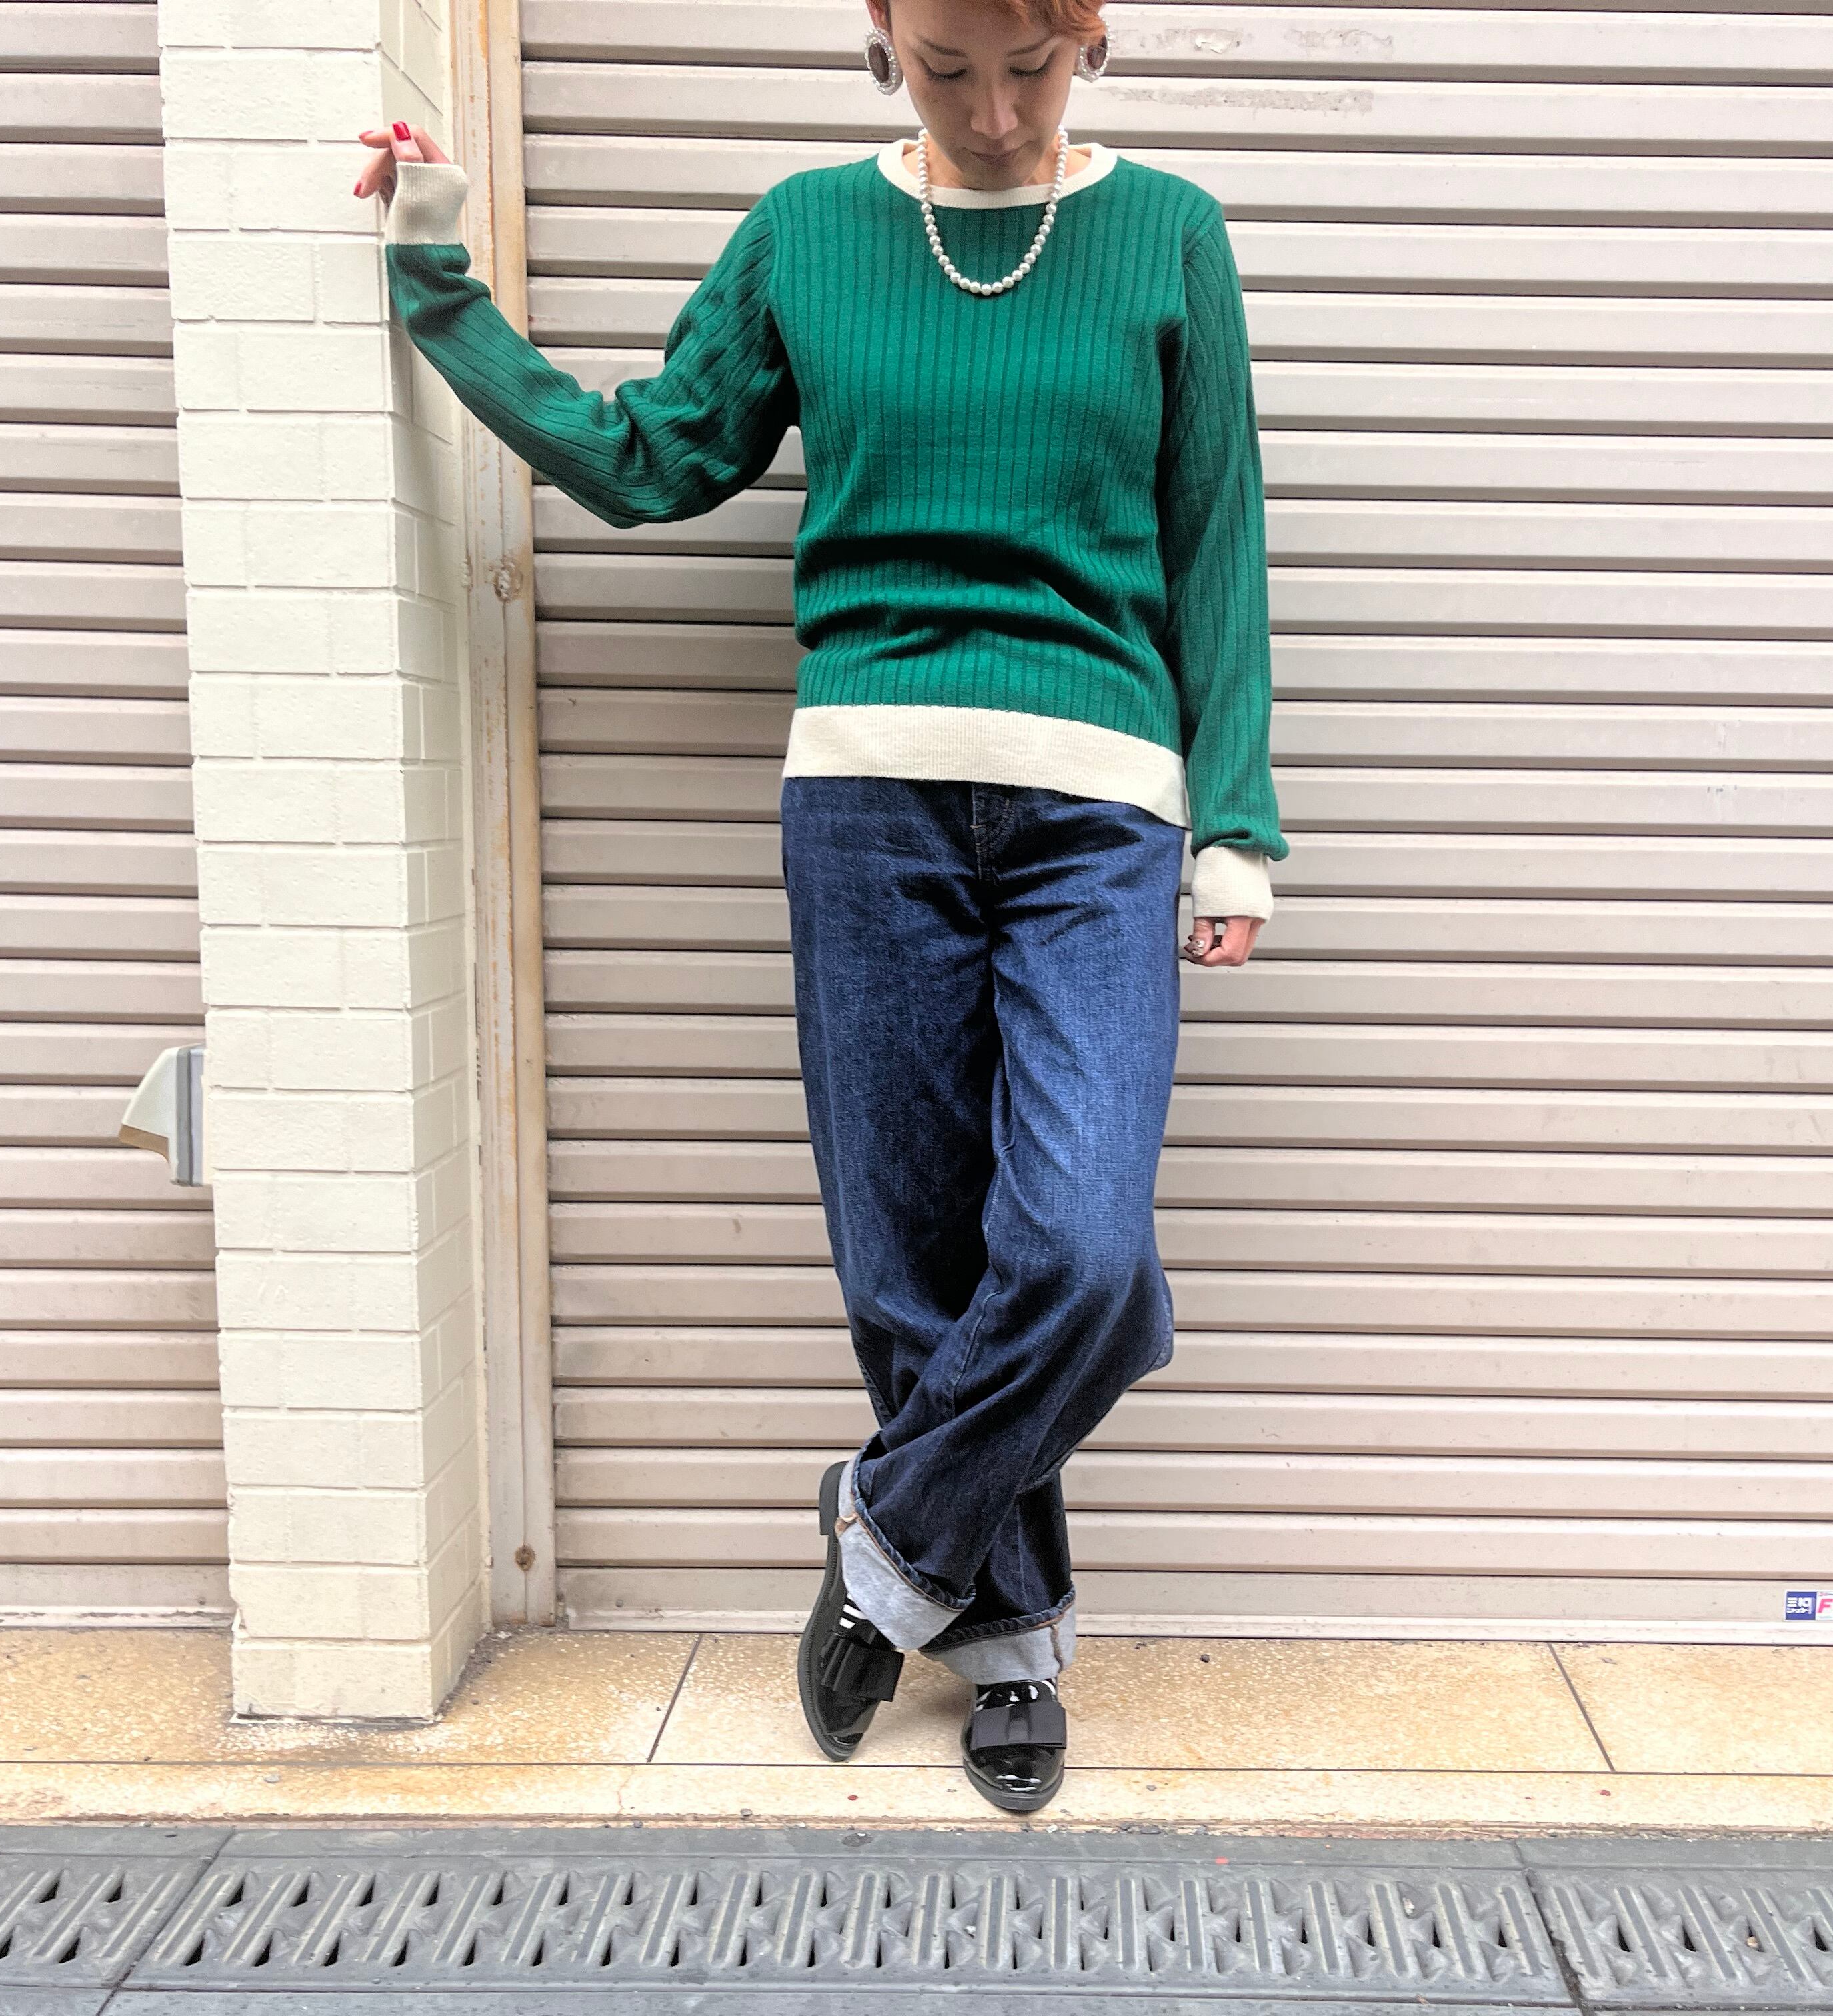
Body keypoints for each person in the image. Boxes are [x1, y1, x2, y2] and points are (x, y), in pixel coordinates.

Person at [353, 0, 1283, 1815]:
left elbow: (1215, 533)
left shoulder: (1169, 231)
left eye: (1033, 67)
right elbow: (649, 459)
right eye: (948, 70)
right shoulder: (807, 231)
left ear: (1088, 36)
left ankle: (888, 1543)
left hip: (1103, 805)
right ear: (883, 36)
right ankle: (1005, 1645)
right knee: (908, 1256)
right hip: (867, 797)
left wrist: (1231, 820)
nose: (996, 113)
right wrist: (438, 282)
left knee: (1088, 1261)